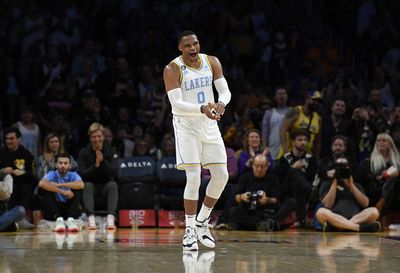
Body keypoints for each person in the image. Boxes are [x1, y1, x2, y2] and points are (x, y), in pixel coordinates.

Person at [163, 30, 231, 251]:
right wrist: (203, 108)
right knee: (193, 178)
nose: (193, 48)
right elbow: (176, 104)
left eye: (195, 44)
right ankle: (190, 229)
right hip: (186, 126)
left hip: (208, 123)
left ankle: (202, 220)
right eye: (187, 46)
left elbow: (224, 90)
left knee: (221, 175)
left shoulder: (211, 61)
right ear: (180, 48)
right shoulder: (172, 69)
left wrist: (221, 103)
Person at [230, 154, 296, 231]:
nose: (259, 169)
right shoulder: (245, 177)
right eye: (256, 166)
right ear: (252, 165)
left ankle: (260, 224)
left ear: (267, 167)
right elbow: (236, 197)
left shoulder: (273, 179)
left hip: (268, 211)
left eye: (262, 167)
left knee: (291, 202)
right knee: (233, 211)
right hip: (249, 211)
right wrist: (243, 197)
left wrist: (266, 200)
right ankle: (265, 224)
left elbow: (276, 199)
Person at [316, 157, 381, 232]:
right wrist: (334, 182)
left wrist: (352, 186)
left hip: (355, 218)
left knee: (374, 211)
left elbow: (365, 204)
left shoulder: (356, 185)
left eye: (344, 166)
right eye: (339, 166)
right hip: (334, 217)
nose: (341, 168)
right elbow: (328, 205)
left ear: (349, 168)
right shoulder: (327, 184)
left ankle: (338, 227)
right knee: (320, 212)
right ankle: (358, 228)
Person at [78, 122, 118, 230]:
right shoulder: (84, 152)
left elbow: (114, 172)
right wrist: (95, 166)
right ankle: (91, 219)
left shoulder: (111, 151)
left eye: (99, 136)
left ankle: (110, 219)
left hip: (106, 185)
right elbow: (82, 174)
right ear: (90, 138)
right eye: (93, 137)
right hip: (92, 186)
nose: (97, 139)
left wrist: (103, 161)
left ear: (104, 137)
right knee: (87, 185)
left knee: (113, 185)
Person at [278, 129, 318, 227]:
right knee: (293, 171)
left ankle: (300, 219)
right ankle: (310, 191)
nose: (303, 142)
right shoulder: (284, 159)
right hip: (286, 190)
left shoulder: (311, 159)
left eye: (305, 140)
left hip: (302, 191)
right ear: (293, 142)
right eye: (300, 140)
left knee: (297, 184)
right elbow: (280, 178)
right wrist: (293, 168)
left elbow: (312, 177)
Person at [38, 153, 84, 232]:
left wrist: (60, 185)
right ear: (56, 165)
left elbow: (81, 184)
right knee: (45, 190)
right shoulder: (52, 174)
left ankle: (71, 219)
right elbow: (41, 183)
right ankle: (58, 219)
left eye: (65, 163)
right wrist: (61, 191)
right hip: (55, 209)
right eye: (60, 163)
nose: (63, 166)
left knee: (78, 190)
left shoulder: (73, 175)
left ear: (70, 165)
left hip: (69, 208)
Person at [356, 133, 400, 216]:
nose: (381, 143)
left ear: (390, 145)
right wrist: (379, 177)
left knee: (393, 179)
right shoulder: (368, 162)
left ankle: (382, 202)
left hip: (391, 195)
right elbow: (363, 180)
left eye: (384, 141)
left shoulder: (396, 163)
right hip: (372, 193)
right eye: (378, 141)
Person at [0, 127, 35, 228]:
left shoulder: (27, 154)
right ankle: (11, 219)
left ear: (19, 139)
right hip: (4, 185)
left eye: (12, 138)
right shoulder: (1, 153)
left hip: (23, 182)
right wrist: (2, 171)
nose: (9, 141)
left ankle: (20, 218)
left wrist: (23, 173)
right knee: (12, 187)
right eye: (7, 139)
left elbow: (33, 175)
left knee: (24, 187)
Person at [278, 90, 322, 160]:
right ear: (307, 99)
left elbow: (317, 142)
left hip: (306, 157)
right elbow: (282, 131)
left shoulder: (318, 119)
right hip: (289, 154)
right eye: (314, 100)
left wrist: (316, 159)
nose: (316, 103)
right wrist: (286, 152)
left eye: (318, 101)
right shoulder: (295, 111)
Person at [261, 87, 289, 162]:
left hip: (288, 150)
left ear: (287, 96)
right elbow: (265, 133)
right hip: (273, 150)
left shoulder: (293, 112)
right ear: (275, 98)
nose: (282, 96)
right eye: (279, 94)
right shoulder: (269, 113)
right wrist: (264, 147)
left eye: (284, 93)